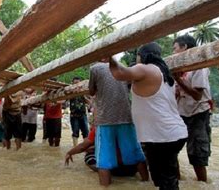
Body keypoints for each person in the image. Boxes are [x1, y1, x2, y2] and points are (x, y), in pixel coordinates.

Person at [109, 42, 188, 190]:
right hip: (170, 134)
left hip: (162, 136)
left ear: (142, 56)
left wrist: (109, 56)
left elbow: (118, 73)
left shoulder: (145, 69)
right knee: (164, 179)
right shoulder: (165, 74)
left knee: (166, 181)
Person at [89, 59, 148, 186]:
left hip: (105, 119)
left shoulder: (94, 68)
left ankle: (105, 187)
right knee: (137, 154)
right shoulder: (123, 66)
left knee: (103, 161)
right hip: (126, 117)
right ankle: (146, 183)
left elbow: (91, 91)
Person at [172, 34, 212, 182]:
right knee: (171, 150)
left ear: (184, 48)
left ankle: (202, 184)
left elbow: (197, 95)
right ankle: (177, 182)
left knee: (197, 154)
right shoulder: (182, 68)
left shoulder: (198, 66)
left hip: (198, 114)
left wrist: (177, 80)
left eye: (175, 49)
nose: (174, 52)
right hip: (181, 114)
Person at [65, 126, 142, 178]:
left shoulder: (100, 127)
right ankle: (145, 179)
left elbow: (83, 147)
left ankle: (104, 175)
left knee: (89, 155)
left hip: (113, 170)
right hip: (133, 168)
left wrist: (69, 153)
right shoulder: (131, 124)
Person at [68, 76, 90, 146]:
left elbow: (88, 102)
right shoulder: (70, 92)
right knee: (75, 132)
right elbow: (63, 100)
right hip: (73, 115)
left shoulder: (84, 91)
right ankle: (75, 148)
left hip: (83, 114)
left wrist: (83, 95)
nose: (76, 85)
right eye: (74, 83)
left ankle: (86, 147)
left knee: (86, 132)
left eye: (78, 83)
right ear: (72, 84)